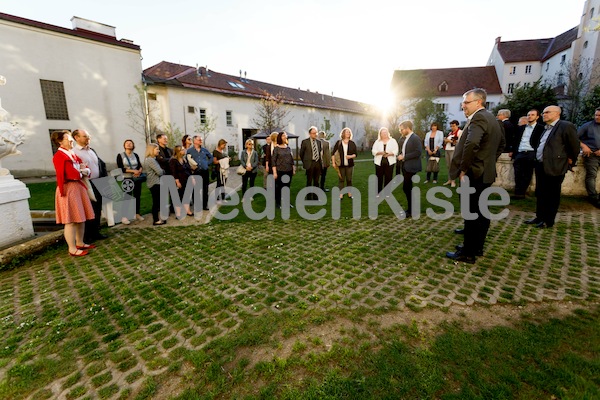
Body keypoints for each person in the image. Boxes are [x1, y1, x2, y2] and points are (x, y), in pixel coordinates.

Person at [446, 88, 505, 264]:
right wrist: (488, 161)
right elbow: (501, 144)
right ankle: (476, 246)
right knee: (481, 212)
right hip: (485, 172)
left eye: (466, 102)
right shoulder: (492, 119)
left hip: (475, 173)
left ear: (478, 102)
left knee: (472, 213)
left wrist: (464, 168)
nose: (463, 105)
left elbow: (471, 143)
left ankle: (467, 252)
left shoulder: (479, 117)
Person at [525, 105, 580, 228]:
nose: (544, 114)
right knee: (541, 192)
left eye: (547, 112)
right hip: (541, 164)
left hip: (556, 166)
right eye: (544, 112)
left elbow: (574, 146)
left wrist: (570, 160)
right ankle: (539, 216)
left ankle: (548, 220)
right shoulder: (546, 128)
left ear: (557, 114)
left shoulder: (565, 126)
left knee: (552, 194)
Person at [51, 130, 95, 256]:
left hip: (77, 188)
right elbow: (72, 174)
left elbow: (84, 167)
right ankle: (72, 248)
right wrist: (82, 172)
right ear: (60, 141)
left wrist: (83, 171)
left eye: (71, 139)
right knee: (70, 220)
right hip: (68, 189)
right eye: (68, 139)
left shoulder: (71, 154)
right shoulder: (59, 156)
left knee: (80, 217)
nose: (71, 141)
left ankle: (80, 242)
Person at [72, 129, 108, 242]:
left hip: (98, 181)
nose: (88, 139)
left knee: (97, 208)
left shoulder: (91, 150)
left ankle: (96, 232)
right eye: (85, 136)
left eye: (88, 136)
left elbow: (99, 164)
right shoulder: (75, 152)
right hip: (87, 183)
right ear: (76, 137)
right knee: (89, 208)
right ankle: (87, 235)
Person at [509, 109, 545, 200]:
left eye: (532, 115)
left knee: (527, 174)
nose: (530, 116)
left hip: (531, 153)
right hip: (520, 152)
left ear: (537, 117)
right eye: (528, 115)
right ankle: (517, 193)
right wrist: (512, 150)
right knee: (517, 173)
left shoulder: (541, 128)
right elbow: (515, 140)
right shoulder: (521, 128)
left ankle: (521, 193)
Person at [397, 120, 422, 216]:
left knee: (407, 188)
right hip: (406, 166)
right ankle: (412, 209)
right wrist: (401, 155)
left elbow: (418, 152)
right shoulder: (406, 138)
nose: (401, 131)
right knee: (407, 188)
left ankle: (411, 211)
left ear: (408, 128)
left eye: (402, 129)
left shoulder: (415, 138)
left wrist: (404, 157)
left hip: (411, 166)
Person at [116, 139, 145, 224]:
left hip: (136, 178)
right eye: (127, 143)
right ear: (124, 145)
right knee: (127, 197)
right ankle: (124, 216)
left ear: (133, 145)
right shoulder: (120, 155)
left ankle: (137, 213)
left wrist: (139, 171)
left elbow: (140, 165)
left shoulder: (135, 155)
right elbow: (121, 168)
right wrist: (133, 171)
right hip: (127, 178)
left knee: (137, 195)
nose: (129, 144)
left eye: (130, 143)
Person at [577, 107, 600, 207]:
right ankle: (593, 197)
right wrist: (583, 146)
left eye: (599, 116)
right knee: (591, 175)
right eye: (596, 115)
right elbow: (574, 137)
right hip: (591, 154)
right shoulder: (587, 126)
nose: (597, 117)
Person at [186, 136, 213, 211]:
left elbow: (211, 157)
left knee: (205, 189)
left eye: (201, 139)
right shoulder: (189, 151)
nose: (201, 140)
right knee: (196, 189)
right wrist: (190, 167)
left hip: (205, 171)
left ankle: (205, 205)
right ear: (194, 141)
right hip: (196, 172)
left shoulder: (204, 150)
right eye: (199, 139)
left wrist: (207, 164)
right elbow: (187, 160)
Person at [331, 127, 357, 198]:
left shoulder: (352, 143)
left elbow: (355, 154)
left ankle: (349, 193)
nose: (348, 133)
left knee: (349, 179)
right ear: (343, 133)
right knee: (341, 179)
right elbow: (333, 153)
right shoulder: (338, 143)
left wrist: (350, 156)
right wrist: (333, 163)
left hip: (350, 165)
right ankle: (341, 194)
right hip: (341, 165)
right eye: (346, 132)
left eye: (349, 132)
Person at [372, 127, 398, 196]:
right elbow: (373, 151)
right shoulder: (377, 141)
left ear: (388, 133)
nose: (384, 134)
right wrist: (380, 153)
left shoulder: (393, 141)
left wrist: (390, 154)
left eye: (385, 132)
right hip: (379, 162)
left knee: (388, 177)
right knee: (379, 177)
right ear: (380, 134)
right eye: (383, 133)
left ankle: (387, 193)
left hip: (390, 161)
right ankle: (378, 192)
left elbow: (396, 150)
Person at [272, 131, 295, 208]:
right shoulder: (276, 148)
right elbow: (273, 161)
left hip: (288, 170)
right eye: (283, 136)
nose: (285, 137)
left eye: (286, 136)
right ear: (280, 138)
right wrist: (275, 172)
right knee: (279, 188)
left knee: (287, 187)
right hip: (280, 171)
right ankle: (278, 204)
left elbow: (292, 160)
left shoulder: (288, 148)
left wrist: (293, 169)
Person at [144, 143, 166, 225]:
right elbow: (160, 172)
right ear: (151, 150)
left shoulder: (151, 159)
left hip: (154, 182)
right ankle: (156, 220)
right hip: (154, 183)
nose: (158, 151)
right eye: (157, 149)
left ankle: (158, 218)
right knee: (156, 202)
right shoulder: (151, 160)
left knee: (157, 201)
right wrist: (163, 171)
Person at [299, 126, 322, 200]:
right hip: (309, 163)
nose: (315, 134)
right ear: (310, 134)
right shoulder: (305, 142)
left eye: (316, 133)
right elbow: (301, 153)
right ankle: (308, 197)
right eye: (313, 133)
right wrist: (305, 162)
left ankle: (316, 197)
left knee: (316, 181)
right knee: (309, 181)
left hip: (317, 163)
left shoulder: (319, 142)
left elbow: (319, 152)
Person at [169, 145, 193, 217]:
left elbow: (188, 170)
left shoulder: (184, 159)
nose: (184, 150)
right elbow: (174, 172)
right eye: (182, 150)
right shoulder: (173, 161)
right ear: (178, 151)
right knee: (178, 197)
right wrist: (177, 181)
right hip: (179, 180)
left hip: (186, 180)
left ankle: (187, 210)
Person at [442, 120, 462, 187]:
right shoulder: (450, 133)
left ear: (457, 125)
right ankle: (449, 179)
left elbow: (459, 142)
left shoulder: (460, 132)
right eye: (451, 126)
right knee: (449, 166)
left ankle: (453, 181)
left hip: (454, 150)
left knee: (453, 165)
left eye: (453, 126)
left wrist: (449, 141)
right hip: (447, 149)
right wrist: (445, 140)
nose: (452, 127)